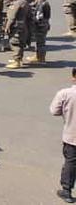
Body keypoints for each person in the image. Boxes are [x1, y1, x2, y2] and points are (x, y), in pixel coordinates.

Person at [52, 68, 76, 203]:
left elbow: (54, 111)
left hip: (72, 135)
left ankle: (66, 190)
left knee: (71, 162)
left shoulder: (65, 94)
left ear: (73, 77)